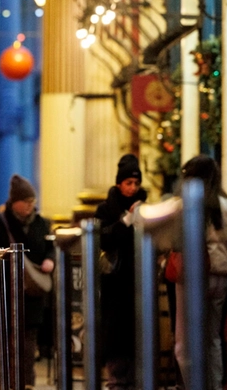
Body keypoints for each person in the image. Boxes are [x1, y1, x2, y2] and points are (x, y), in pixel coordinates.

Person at [0, 175, 54, 390]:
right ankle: (1, 384)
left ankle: (26, 383)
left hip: (30, 294)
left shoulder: (41, 223)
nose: (30, 206)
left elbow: (51, 248)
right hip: (0, 295)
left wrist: (50, 260)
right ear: (14, 202)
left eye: (32, 202)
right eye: (26, 202)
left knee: (27, 343)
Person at [173, 156, 227, 390]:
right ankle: (216, 387)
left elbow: (177, 239)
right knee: (213, 339)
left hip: (194, 277)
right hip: (221, 276)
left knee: (184, 343)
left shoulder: (188, 205)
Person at [94, 155, 148, 390]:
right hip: (114, 281)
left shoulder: (146, 207)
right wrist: (127, 220)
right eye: (128, 183)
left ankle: (137, 378)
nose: (133, 188)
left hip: (139, 278)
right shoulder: (106, 209)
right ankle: (116, 379)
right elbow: (103, 239)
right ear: (119, 183)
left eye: (136, 183)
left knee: (137, 329)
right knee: (114, 331)